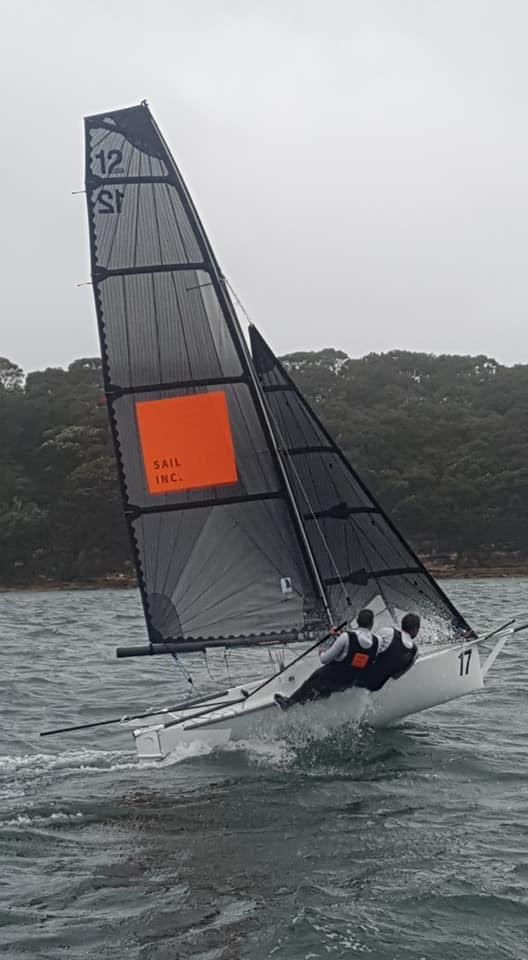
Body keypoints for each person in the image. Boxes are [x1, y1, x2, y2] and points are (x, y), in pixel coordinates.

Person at [274, 608, 380, 711]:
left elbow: (324, 659)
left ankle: (288, 703)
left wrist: (324, 647)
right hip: (349, 683)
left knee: (316, 677)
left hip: (329, 680)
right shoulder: (377, 642)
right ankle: (315, 703)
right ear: (371, 624)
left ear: (357, 621)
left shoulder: (346, 637)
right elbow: (357, 654)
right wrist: (339, 638)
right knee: (321, 689)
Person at [361, 612, 420, 692]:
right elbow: (396, 676)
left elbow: (364, 645)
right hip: (374, 686)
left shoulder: (388, 632)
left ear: (403, 623)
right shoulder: (415, 652)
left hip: (359, 676)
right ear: (415, 630)